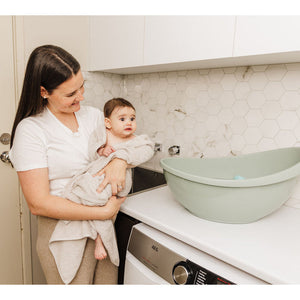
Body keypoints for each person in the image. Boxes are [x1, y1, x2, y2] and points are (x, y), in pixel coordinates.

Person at [9, 45, 151, 284]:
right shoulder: (31, 130)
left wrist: (119, 159)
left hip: (102, 227)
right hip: (63, 229)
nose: (81, 97)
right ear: (44, 92)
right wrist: (103, 211)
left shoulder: (95, 116)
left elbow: (128, 147)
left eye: (81, 86)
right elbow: (38, 204)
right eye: (70, 94)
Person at [49, 97, 154, 284]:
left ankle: (100, 240)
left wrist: (121, 156)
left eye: (132, 118)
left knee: (104, 202)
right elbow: (91, 152)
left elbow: (147, 149)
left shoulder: (136, 140)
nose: (128, 123)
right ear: (108, 123)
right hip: (98, 177)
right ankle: (88, 225)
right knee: (86, 194)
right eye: (122, 119)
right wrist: (101, 151)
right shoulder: (104, 135)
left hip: (118, 184)